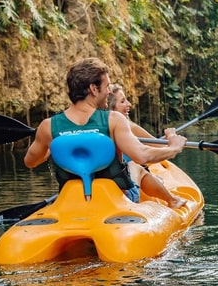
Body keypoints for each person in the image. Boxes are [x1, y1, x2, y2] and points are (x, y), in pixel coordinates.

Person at [24, 57, 187, 208]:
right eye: (107, 86)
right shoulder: (113, 120)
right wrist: (174, 148)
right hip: (116, 202)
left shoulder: (48, 126)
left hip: (74, 203)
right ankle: (172, 201)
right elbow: (142, 156)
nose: (109, 92)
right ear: (94, 89)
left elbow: (30, 162)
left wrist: (50, 148)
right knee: (137, 167)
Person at [106, 83, 186, 208]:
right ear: (112, 108)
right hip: (122, 186)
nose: (129, 104)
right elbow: (160, 149)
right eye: (123, 101)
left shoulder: (98, 127)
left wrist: (167, 138)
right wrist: (171, 138)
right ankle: (172, 200)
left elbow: (154, 145)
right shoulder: (130, 127)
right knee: (135, 165)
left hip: (107, 186)